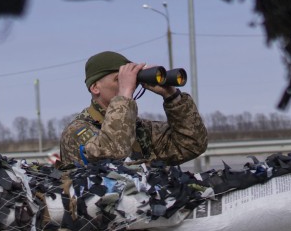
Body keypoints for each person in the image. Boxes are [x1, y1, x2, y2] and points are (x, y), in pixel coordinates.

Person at [60, 51, 208, 167]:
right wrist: (124, 95)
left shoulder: (139, 129)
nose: (130, 84)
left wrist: (172, 96)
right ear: (95, 87)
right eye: (119, 79)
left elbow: (192, 144)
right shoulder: (77, 131)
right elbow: (112, 155)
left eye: (132, 80)